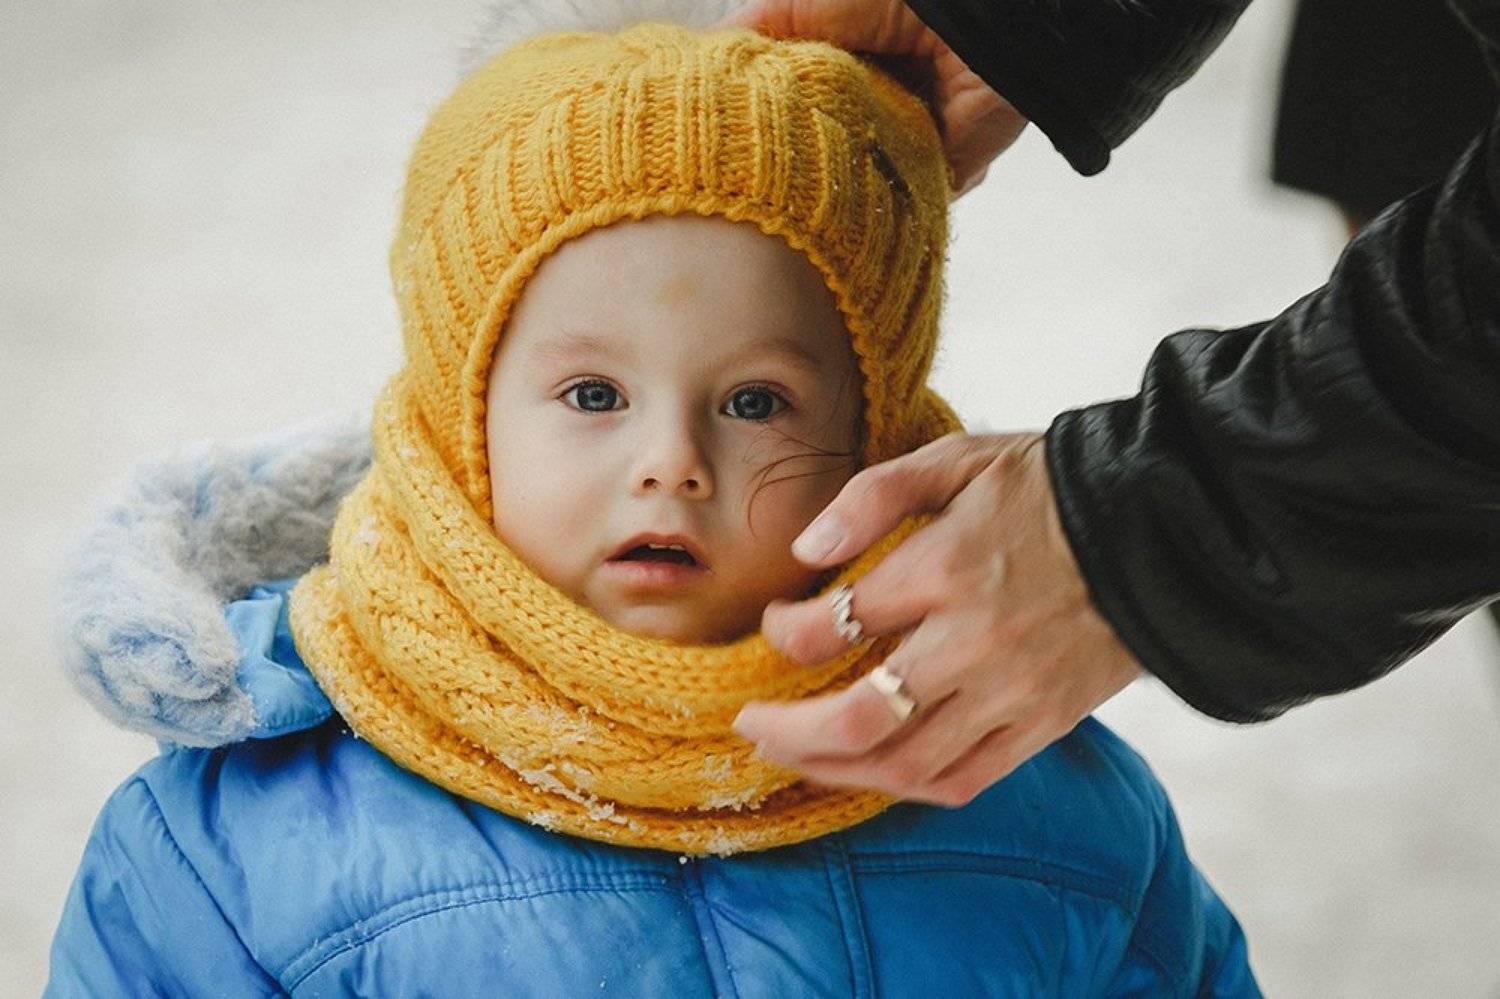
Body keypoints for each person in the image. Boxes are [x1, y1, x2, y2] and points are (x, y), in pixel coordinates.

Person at [46, 7, 1257, 994]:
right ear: (460, 424)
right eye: (592, 394)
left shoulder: (1032, 796)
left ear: (874, 430)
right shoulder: (235, 853)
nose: (671, 462)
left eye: (755, 402)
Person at [710, 0, 1500, 807]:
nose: (669, 464)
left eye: (754, 401)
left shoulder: (1073, 824)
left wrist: (1172, 523)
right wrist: (1011, 20)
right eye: (619, 392)